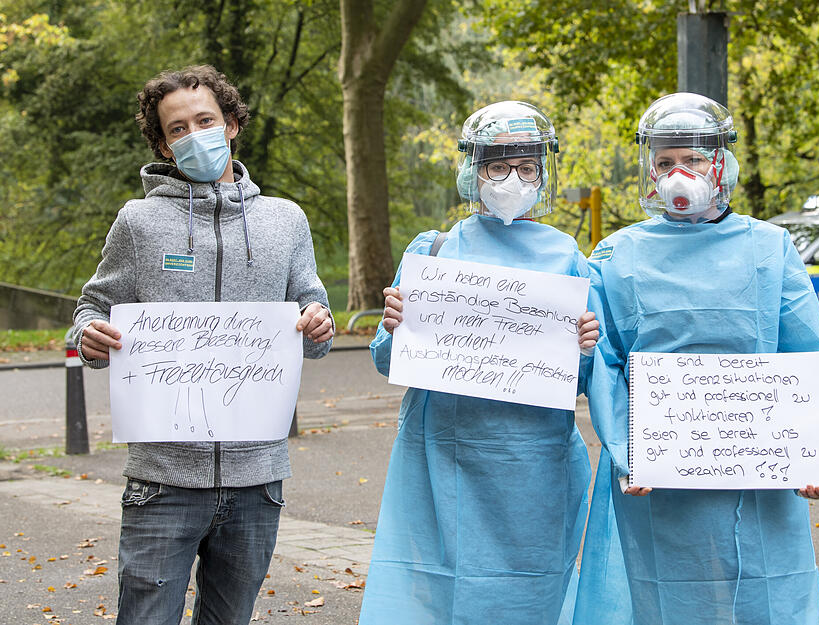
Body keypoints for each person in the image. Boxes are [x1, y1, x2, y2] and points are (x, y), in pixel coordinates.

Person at [72, 65, 334, 625]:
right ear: (164, 145)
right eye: (178, 128)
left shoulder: (285, 221)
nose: (194, 135)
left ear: (232, 123)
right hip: (162, 480)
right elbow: (91, 309)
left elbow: (315, 317)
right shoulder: (139, 222)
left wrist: (319, 324)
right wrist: (88, 337)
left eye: (205, 120)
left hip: (257, 480)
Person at [573, 92, 819, 625]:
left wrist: (814, 457)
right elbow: (601, 361)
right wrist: (630, 450)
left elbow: (806, 351)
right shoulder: (615, 255)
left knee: (764, 590)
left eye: (693, 159)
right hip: (655, 474)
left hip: (759, 470)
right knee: (664, 596)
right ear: (649, 167)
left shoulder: (771, 247)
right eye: (666, 161)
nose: (679, 173)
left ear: (722, 162)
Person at [358, 100, 600, 625]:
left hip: (534, 465)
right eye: (498, 165)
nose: (513, 178)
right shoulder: (434, 250)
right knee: (440, 590)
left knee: (533, 589)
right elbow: (386, 359)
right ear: (474, 169)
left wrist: (585, 347)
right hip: (443, 458)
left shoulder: (569, 258)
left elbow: (579, 382)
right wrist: (394, 325)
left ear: (543, 173)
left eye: (527, 167)